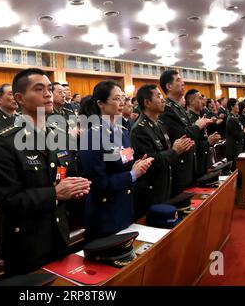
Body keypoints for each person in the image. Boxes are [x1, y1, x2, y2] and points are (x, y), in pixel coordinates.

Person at [0, 68, 91, 275]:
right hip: (25, 244)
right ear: (20, 98)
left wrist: (75, 190)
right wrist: (55, 193)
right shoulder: (5, 141)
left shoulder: (59, 135)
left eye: (49, 89)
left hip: (59, 235)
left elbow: (66, 176)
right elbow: (7, 201)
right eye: (39, 89)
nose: (48, 94)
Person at [79, 80, 153, 240]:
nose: (122, 103)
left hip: (125, 206)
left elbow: (123, 163)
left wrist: (137, 166)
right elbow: (98, 182)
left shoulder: (122, 132)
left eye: (123, 98)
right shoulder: (92, 136)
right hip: (105, 214)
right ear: (101, 104)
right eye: (116, 98)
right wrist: (132, 175)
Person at [131, 85, 194, 218]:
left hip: (165, 186)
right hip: (151, 191)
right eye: (158, 96)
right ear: (147, 102)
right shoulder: (139, 129)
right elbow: (152, 161)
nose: (163, 100)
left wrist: (180, 149)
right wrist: (175, 151)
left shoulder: (159, 124)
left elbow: (167, 152)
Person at [158, 70, 211, 196]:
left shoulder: (179, 108)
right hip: (179, 170)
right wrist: (197, 126)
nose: (183, 82)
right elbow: (181, 136)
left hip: (189, 168)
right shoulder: (167, 109)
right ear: (169, 86)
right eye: (178, 80)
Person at [185, 89, 220, 177]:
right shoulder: (188, 118)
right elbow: (193, 144)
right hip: (196, 164)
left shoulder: (199, 116)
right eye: (200, 98)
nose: (203, 102)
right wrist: (208, 142)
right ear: (192, 101)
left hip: (204, 160)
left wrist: (209, 139)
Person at [226, 98, 245, 171]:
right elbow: (237, 134)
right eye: (237, 105)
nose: (238, 107)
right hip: (233, 150)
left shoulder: (235, 117)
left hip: (237, 148)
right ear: (232, 107)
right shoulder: (231, 119)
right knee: (235, 171)